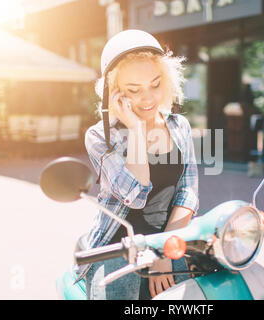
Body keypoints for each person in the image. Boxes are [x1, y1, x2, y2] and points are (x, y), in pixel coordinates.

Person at [82, 30, 199, 300]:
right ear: (115, 94)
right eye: (134, 90)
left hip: (170, 237)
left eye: (155, 84)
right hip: (119, 246)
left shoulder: (178, 125)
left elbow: (188, 191)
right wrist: (135, 130)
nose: (148, 99)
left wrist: (165, 249)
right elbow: (134, 195)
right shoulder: (100, 136)